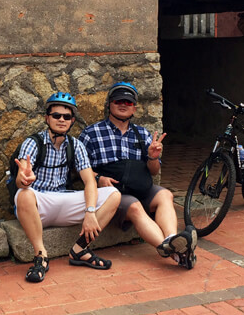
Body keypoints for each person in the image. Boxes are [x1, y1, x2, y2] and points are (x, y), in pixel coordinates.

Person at [78, 81, 197, 269]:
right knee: (133, 207)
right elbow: (79, 168)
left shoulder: (142, 134)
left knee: (165, 195)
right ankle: (175, 251)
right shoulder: (91, 133)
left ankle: (172, 240)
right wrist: (98, 178)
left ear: (134, 108)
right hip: (113, 194)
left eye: (128, 102)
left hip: (140, 187)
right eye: (118, 100)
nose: (123, 104)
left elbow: (153, 171)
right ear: (109, 104)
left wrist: (152, 157)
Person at [12, 92, 121, 283]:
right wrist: (25, 179)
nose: (61, 120)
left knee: (113, 194)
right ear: (47, 118)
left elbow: (89, 181)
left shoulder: (76, 145)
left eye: (67, 116)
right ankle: (41, 256)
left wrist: (90, 212)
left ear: (72, 121)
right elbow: (21, 180)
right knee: (23, 194)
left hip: (64, 199)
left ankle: (80, 249)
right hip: (40, 203)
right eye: (56, 115)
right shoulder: (33, 143)